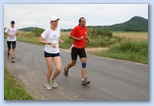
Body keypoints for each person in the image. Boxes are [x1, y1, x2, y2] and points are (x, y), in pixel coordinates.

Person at [64, 17, 91, 86]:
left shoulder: (85, 28)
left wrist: (87, 39)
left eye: (85, 21)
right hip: (75, 48)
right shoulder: (76, 28)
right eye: (83, 22)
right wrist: (78, 38)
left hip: (82, 48)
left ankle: (83, 79)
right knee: (73, 63)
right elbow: (70, 36)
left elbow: (84, 35)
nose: (84, 23)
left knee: (84, 63)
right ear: (79, 22)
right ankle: (66, 68)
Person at [39, 16, 64, 90]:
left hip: (56, 51)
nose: (56, 22)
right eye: (55, 21)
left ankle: (53, 79)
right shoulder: (47, 30)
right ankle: (48, 83)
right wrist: (49, 43)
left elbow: (58, 37)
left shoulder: (58, 29)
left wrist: (60, 40)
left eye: (57, 21)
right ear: (51, 22)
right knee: (50, 69)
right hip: (48, 51)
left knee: (59, 69)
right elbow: (40, 40)